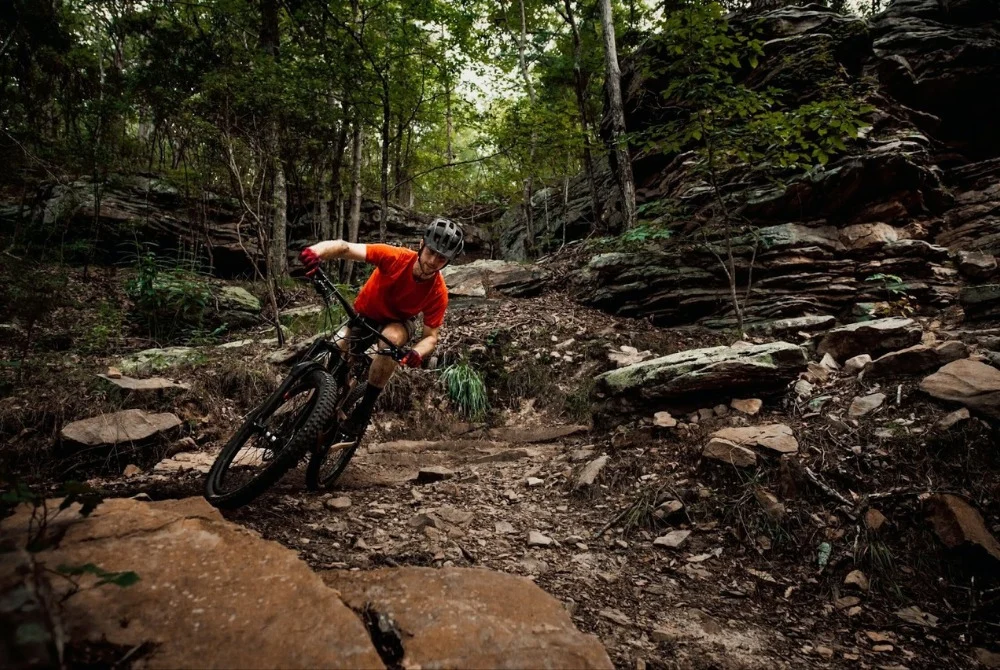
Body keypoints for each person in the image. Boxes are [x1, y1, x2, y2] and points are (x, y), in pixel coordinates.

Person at [298, 218, 463, 442]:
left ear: (448, 261)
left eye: (442, 257)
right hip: (364, 316)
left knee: (391, 341)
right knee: (334, 351)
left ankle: (364, 409)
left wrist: (416, 353)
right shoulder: (395, 257)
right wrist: (315, 252)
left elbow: (431, 337)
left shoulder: (438, 292)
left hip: (399, 322)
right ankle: (305, 416)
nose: (434, 260)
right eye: (431, 252)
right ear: (421, 244)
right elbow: (345, 247)